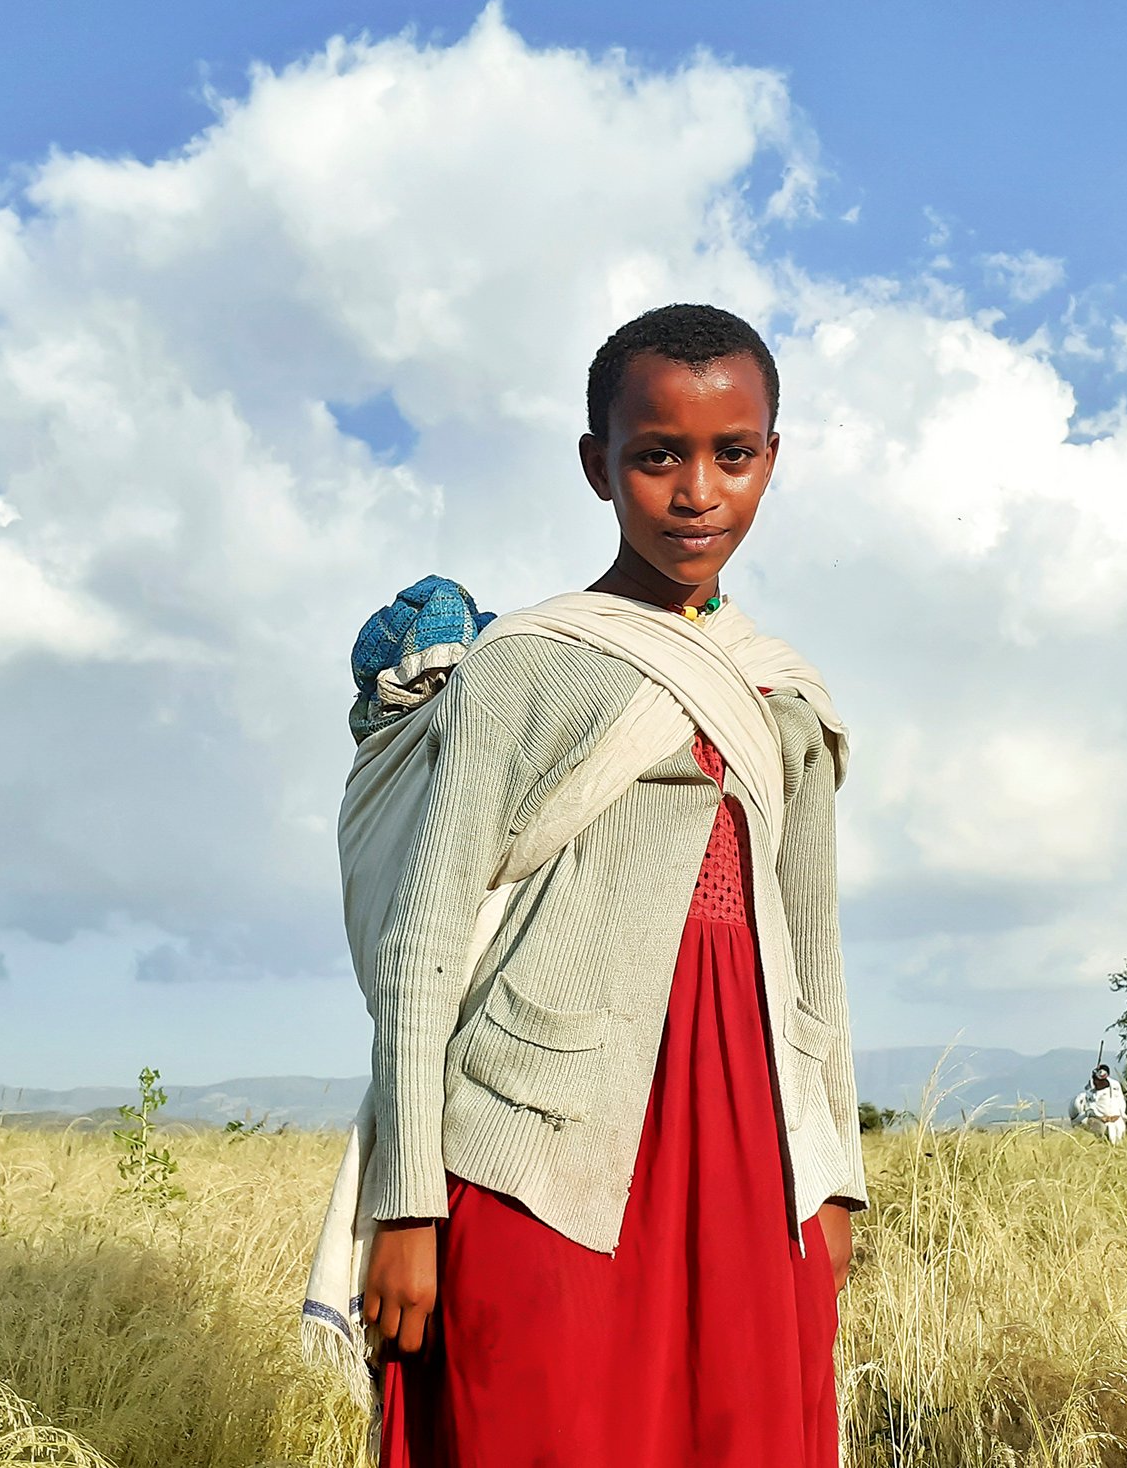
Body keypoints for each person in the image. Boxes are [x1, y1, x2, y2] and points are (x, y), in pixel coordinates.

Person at [356, 304, 866, 1467]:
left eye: (731, 455)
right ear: (597, 465)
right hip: (540, 1144)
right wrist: (406, 1201)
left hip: (752, 1144)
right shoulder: (526, 667)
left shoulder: (782, 696)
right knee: (538, 1428)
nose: (696, 491)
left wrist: (833, 1171)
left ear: (770, 461)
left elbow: (815, 954)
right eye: (656, 454)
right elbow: (424, 941)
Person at [1073, 1064, 1127, 1145]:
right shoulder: (1091, 1089)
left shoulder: (1115, 1085)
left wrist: (1119, 1115)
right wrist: (1101, 1117)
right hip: (1098, 1119)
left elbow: (1120, 1100)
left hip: (1116, 1118)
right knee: (1104, 1132)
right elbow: (1090, 1107)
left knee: (1120, 1130)